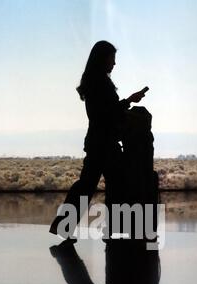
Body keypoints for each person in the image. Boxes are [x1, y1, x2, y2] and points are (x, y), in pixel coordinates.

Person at [49, 40, 148, 241]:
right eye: (112, 58)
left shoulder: (94, 81)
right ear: (103, 58)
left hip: (98, 142)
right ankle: (113, 230)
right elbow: (107, 113)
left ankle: (65, 226)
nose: (114, 63)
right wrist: (129, 101)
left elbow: (103, 113)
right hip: (104, 143)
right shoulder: (100, 83)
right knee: (115, 186)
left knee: (87, 186)